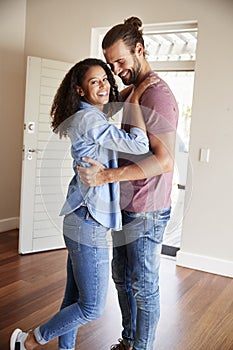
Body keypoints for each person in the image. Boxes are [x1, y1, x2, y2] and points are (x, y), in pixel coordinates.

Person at [10, 58, 158, 350]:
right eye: (94, 82)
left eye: (105, 79)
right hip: (87, 221)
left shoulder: (91, 116)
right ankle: (28, 341)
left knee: (74, 300)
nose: (103, 85)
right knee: (91, 308)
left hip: (82, 219)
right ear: (79, 90)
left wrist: (128, 95)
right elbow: (140, 145)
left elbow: (113, 110)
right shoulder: (90, 119)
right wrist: (137, 99)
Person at [78, 17, 179, 350]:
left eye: (121, 61)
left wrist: (106, 175)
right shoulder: (133, 90)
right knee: (122, 278)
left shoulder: (156, 94)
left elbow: (163, 160)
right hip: (125, 205)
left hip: (147, 209)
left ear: (140, 50)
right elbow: (102, 103)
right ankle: (130, 339)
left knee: (144, 285)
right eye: (111, 64)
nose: (116, 69)